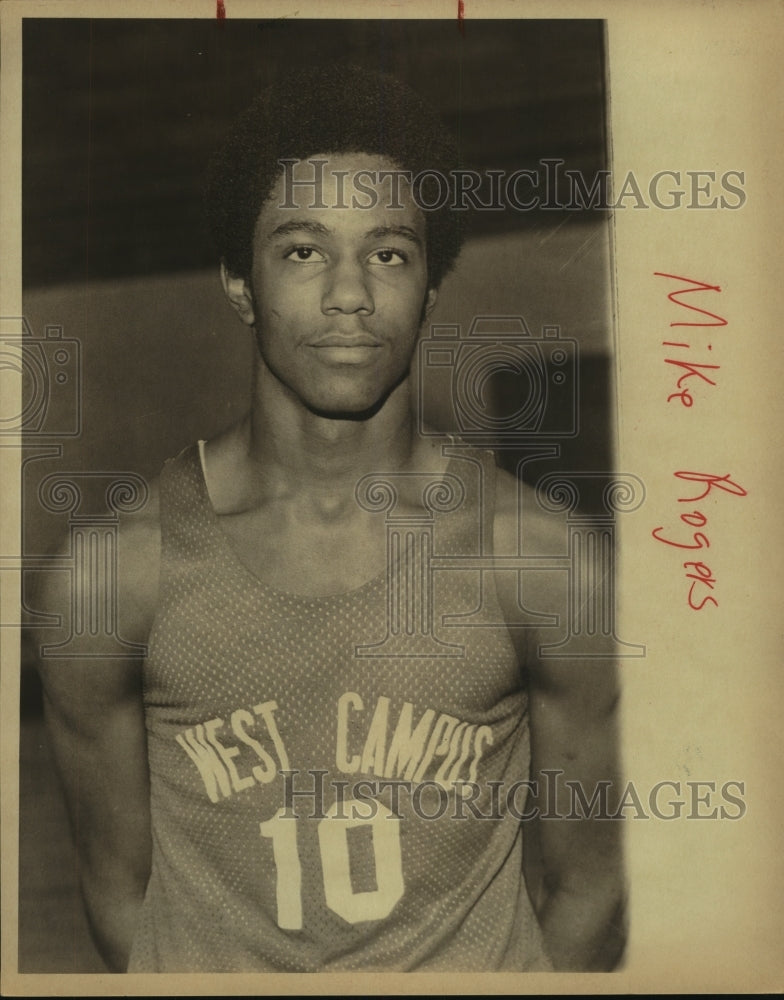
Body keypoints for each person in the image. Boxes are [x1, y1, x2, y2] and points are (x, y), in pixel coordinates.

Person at [35, 65, 625, 973]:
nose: (350, 295)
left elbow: (591, 892)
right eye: (303, 251)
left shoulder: (542, 562)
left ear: (430, 288)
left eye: (388, 253)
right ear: (239, 282)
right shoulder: (112, 576)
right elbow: (119, 896)